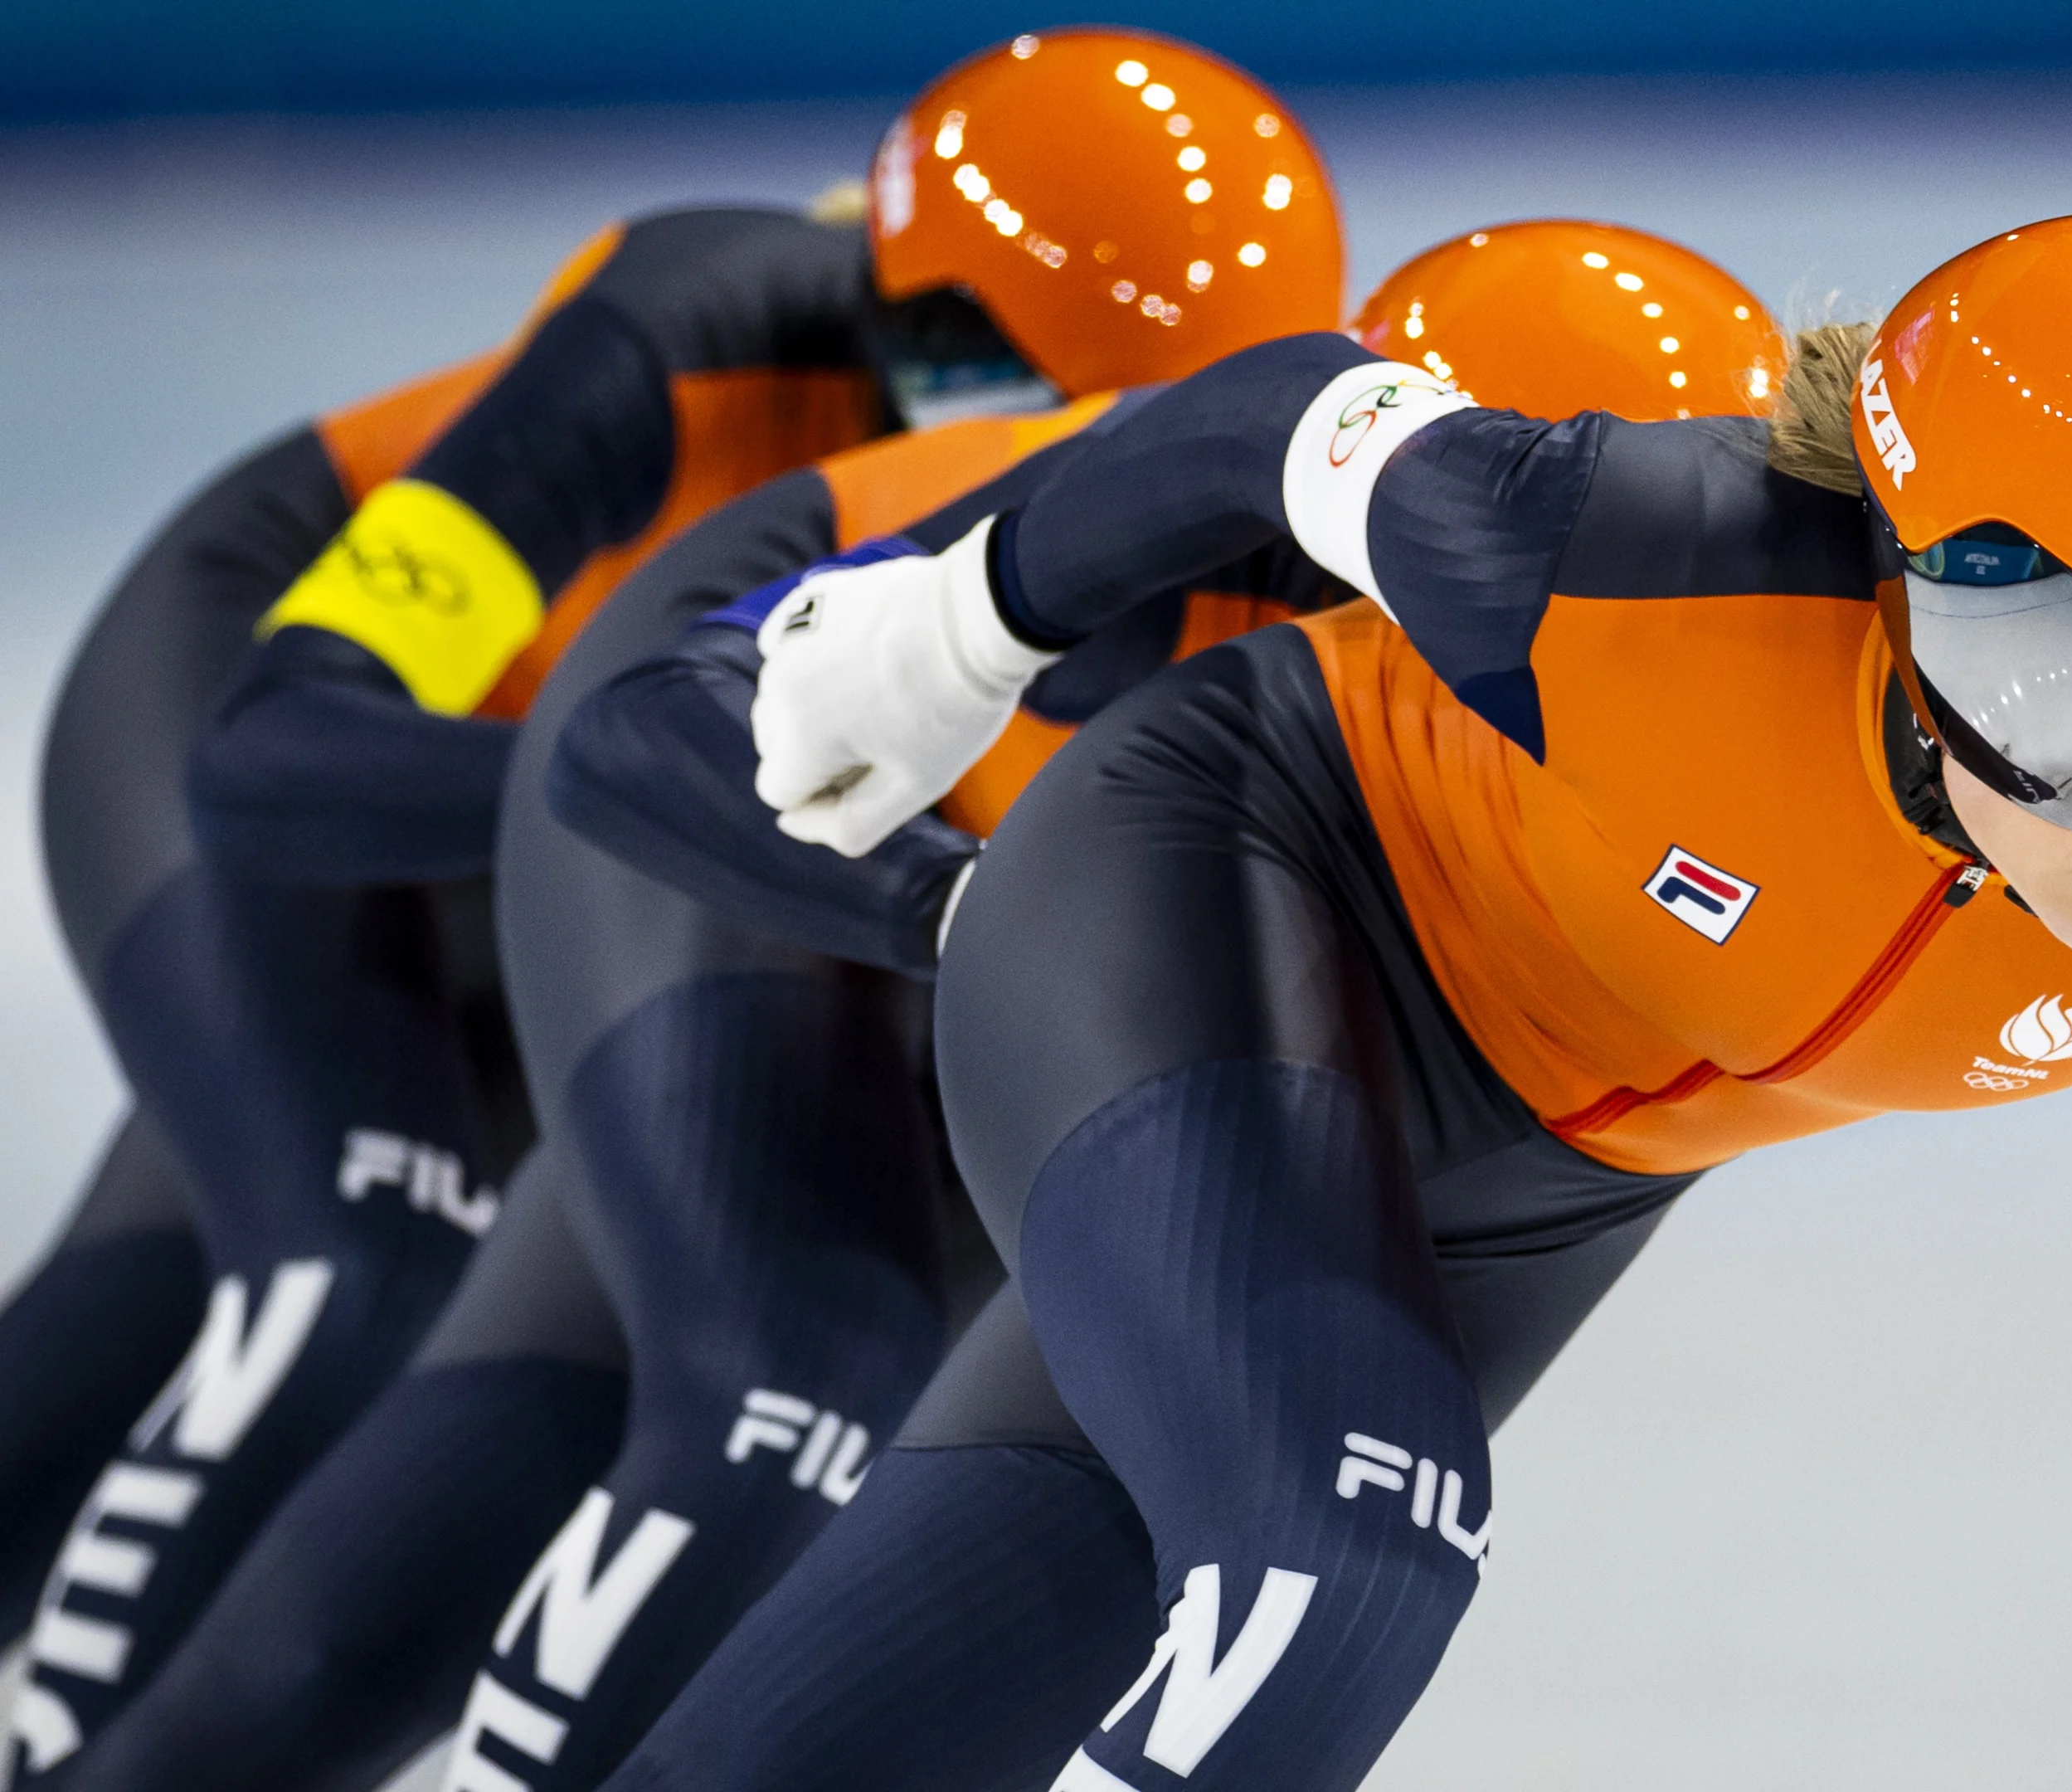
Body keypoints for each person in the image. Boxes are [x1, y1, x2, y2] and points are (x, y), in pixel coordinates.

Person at [682, 209, 2072, 1790]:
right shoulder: (1645, 562)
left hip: (1551, 1178)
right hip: (1226, 885)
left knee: (949, 1658)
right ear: (1914, 577)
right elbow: (1287, 415)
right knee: (1344, 1551)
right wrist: (956, 630)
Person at [7, 30, 1340, 1788]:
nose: (1091, 480)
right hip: (266, 749)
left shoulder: (1050, 449)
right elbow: (272, 749)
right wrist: (704, 807)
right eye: (1057, 421)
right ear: (932, 331)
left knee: (189, 1304)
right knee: (356, 1248)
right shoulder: (689, 335)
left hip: (590, 848)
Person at [513, 220, 1781, 1791]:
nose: (1582, 658)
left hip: (1086, 1011)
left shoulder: (1716, 687)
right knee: (778, 1396)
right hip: (756, 904)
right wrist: (960, 903)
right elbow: (632, 729)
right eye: (1524, 592)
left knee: (1108, 1582)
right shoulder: (1149, 513)